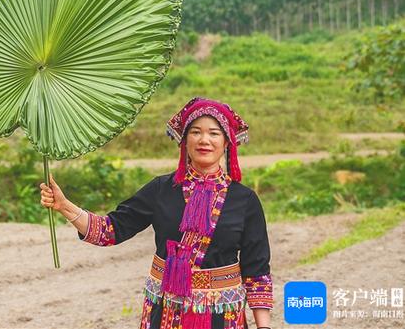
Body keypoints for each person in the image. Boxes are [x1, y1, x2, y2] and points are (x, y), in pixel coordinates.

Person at [40, 97, 273, 329]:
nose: (204, 140)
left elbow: (257, 269)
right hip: (165, 312)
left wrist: (264, 327)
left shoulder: (245, 200)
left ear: (227, 142)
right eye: (195, 132)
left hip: (222, 316)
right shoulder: (161, 189)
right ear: (184, 140)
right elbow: (110, 230)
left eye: (214, 133)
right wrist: (64, 206)